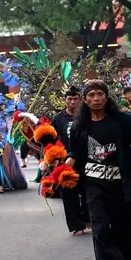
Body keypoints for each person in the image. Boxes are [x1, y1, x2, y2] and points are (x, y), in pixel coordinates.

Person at [67, 79, 131, 260]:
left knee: (123, 228)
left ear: (106, 97)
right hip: (93, 185)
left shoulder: (120, 120)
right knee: (99, 228)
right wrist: (61, 166)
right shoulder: (80, 127)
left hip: (120, 184)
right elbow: (75, 153)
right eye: (91, 95)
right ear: (85, 100)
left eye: (100, 94)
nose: (96, 99)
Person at [52, 86, 89, 236]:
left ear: (80, 100)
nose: (72, 102)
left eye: (75, 99)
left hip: (85, 159)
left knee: (88, 191)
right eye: (69, 99)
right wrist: (53, 157)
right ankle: (76, 225)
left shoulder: (86, 117)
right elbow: (52, 140)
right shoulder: (58, 119)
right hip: (64, 163)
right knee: (68, 194)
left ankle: (87, 219)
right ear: (65, 100)